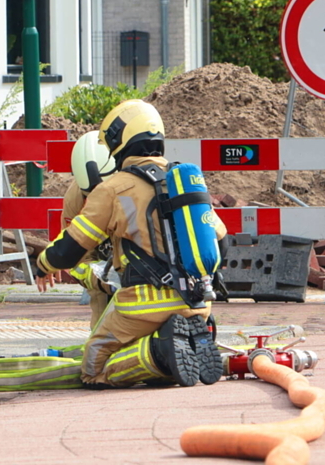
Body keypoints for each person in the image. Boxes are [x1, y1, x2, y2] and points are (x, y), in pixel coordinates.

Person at [35, 100, 226, 388]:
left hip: (141, 308)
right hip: (198, 303)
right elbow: (221, 243)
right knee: (149, 356)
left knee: (93, 367)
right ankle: (179, 343)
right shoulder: (183, 181)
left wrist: (42, 264)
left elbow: (71, 247)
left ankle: (160, 353)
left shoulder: (112, 188)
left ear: (120, 143)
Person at [59, 130, 118, 330]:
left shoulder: (135, 186)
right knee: (101, 337)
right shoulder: (74, 199)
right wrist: (99, 279)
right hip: (103, 272)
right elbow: (75, 257)